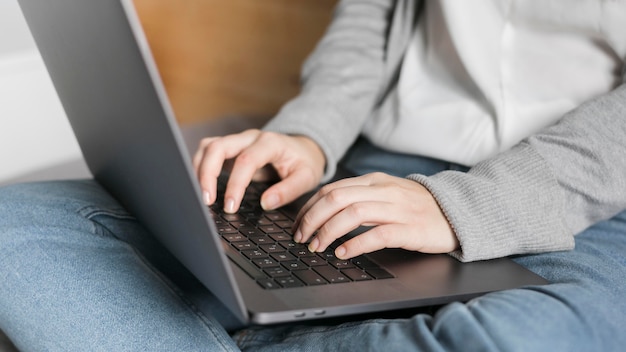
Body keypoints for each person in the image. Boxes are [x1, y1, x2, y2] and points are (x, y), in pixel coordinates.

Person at [2, 0, 626, 350]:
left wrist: (465, 207)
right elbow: (370, 15)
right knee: (13, 227)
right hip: (375, 162)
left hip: (581, 202)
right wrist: (309, 132)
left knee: (530, 340)